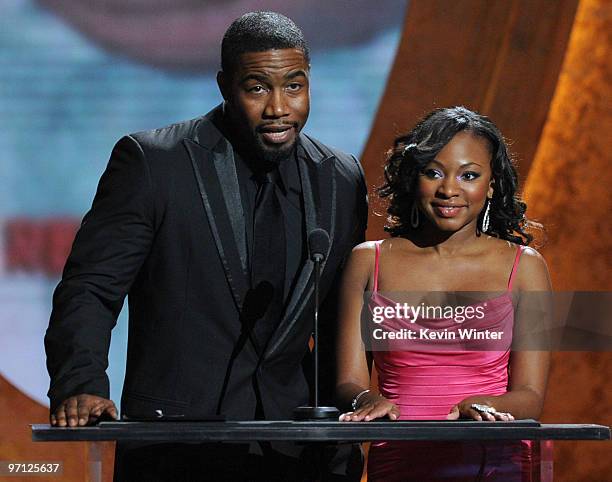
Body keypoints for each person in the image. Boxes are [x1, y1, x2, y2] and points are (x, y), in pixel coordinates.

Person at [45, 11, 367, 481]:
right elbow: (90, 289)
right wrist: (81, 384)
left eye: (294, 86)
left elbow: (343, 316)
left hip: (299, 450)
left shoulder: (339, 178)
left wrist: (348, 413)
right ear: (224, 86)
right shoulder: (154, 163)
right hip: (178, 446)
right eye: (257, 88)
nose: (279, 107)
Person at [336, 106, 551, 481]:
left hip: (493, 462)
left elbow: (531, 395)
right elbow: (346, 382)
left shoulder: (525, 267)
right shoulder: (368, 263)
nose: (449, 189)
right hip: (401, 461)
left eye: (469, 175)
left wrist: (483, 406)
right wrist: (365, 400)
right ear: (412, 177)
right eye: (433, 172)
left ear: (493, 183)